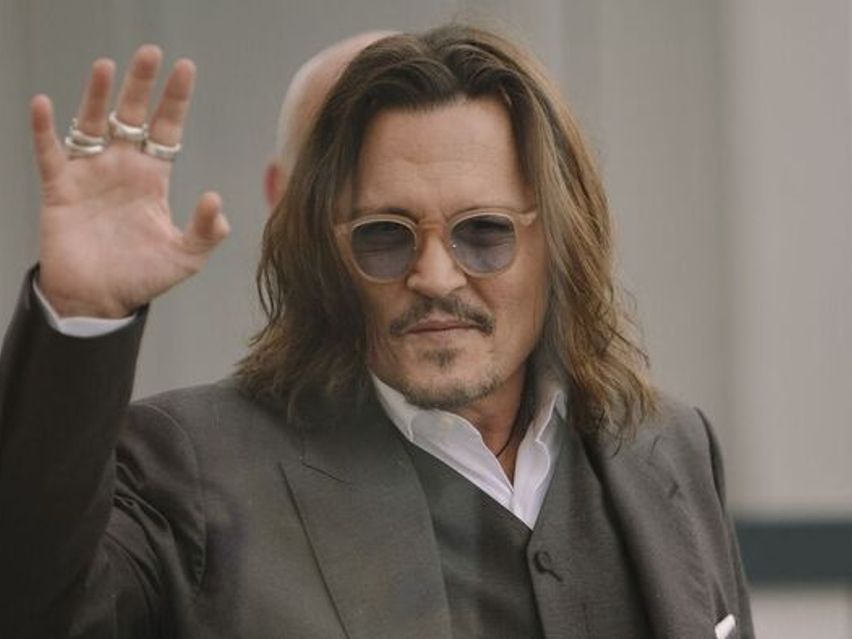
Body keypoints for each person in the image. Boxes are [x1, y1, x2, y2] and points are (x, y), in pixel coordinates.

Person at [0, 25, 753, 639]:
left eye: (483, 233)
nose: (435, 276)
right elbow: (32, 611)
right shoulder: (194, 467)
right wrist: (82, 318)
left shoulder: (669, 445)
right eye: (385, 236)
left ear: (560, 240)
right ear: (328, 252)